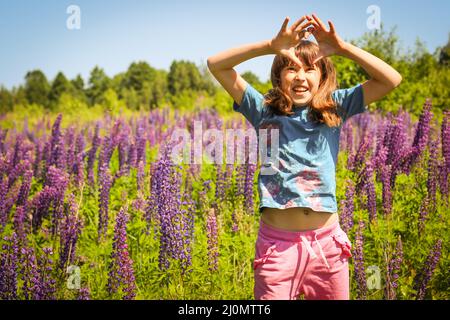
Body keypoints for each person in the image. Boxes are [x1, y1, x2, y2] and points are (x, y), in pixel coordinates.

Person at [207, 14, 402, 300]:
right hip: (277, 247)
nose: (300, 76)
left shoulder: (335, 107)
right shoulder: (263, 110)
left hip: (327, 246)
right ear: (278, 76)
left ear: (322, 76)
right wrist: (271, 45)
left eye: (310, 69)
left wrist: (343, 47)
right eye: (290, 68)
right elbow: (216, 64)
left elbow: (391, 79)